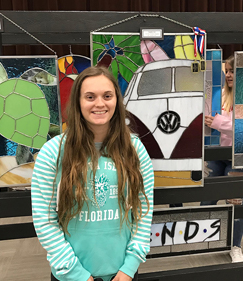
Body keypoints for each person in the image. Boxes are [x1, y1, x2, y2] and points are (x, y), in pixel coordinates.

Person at [31, 66, 154, 281]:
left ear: (117, 100)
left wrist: (129, 269)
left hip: (123, 274)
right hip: (71, 276)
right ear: (78, 102)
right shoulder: (52, 152)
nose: (100, 103)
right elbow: (45, 221)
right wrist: (78, 275)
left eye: (107, 96)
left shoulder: (135, 149)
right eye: (90, 97)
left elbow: (143, 212)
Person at [202, 55, 243, 263]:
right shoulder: (220, 94)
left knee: (236, 203)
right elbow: (212, 121)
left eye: (233, 70)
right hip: (218, 155)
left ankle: (235, 247)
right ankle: (205, 239)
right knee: (208, 198)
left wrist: (217, 122)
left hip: (240, 158)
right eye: (227, 70)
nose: (229, 75)